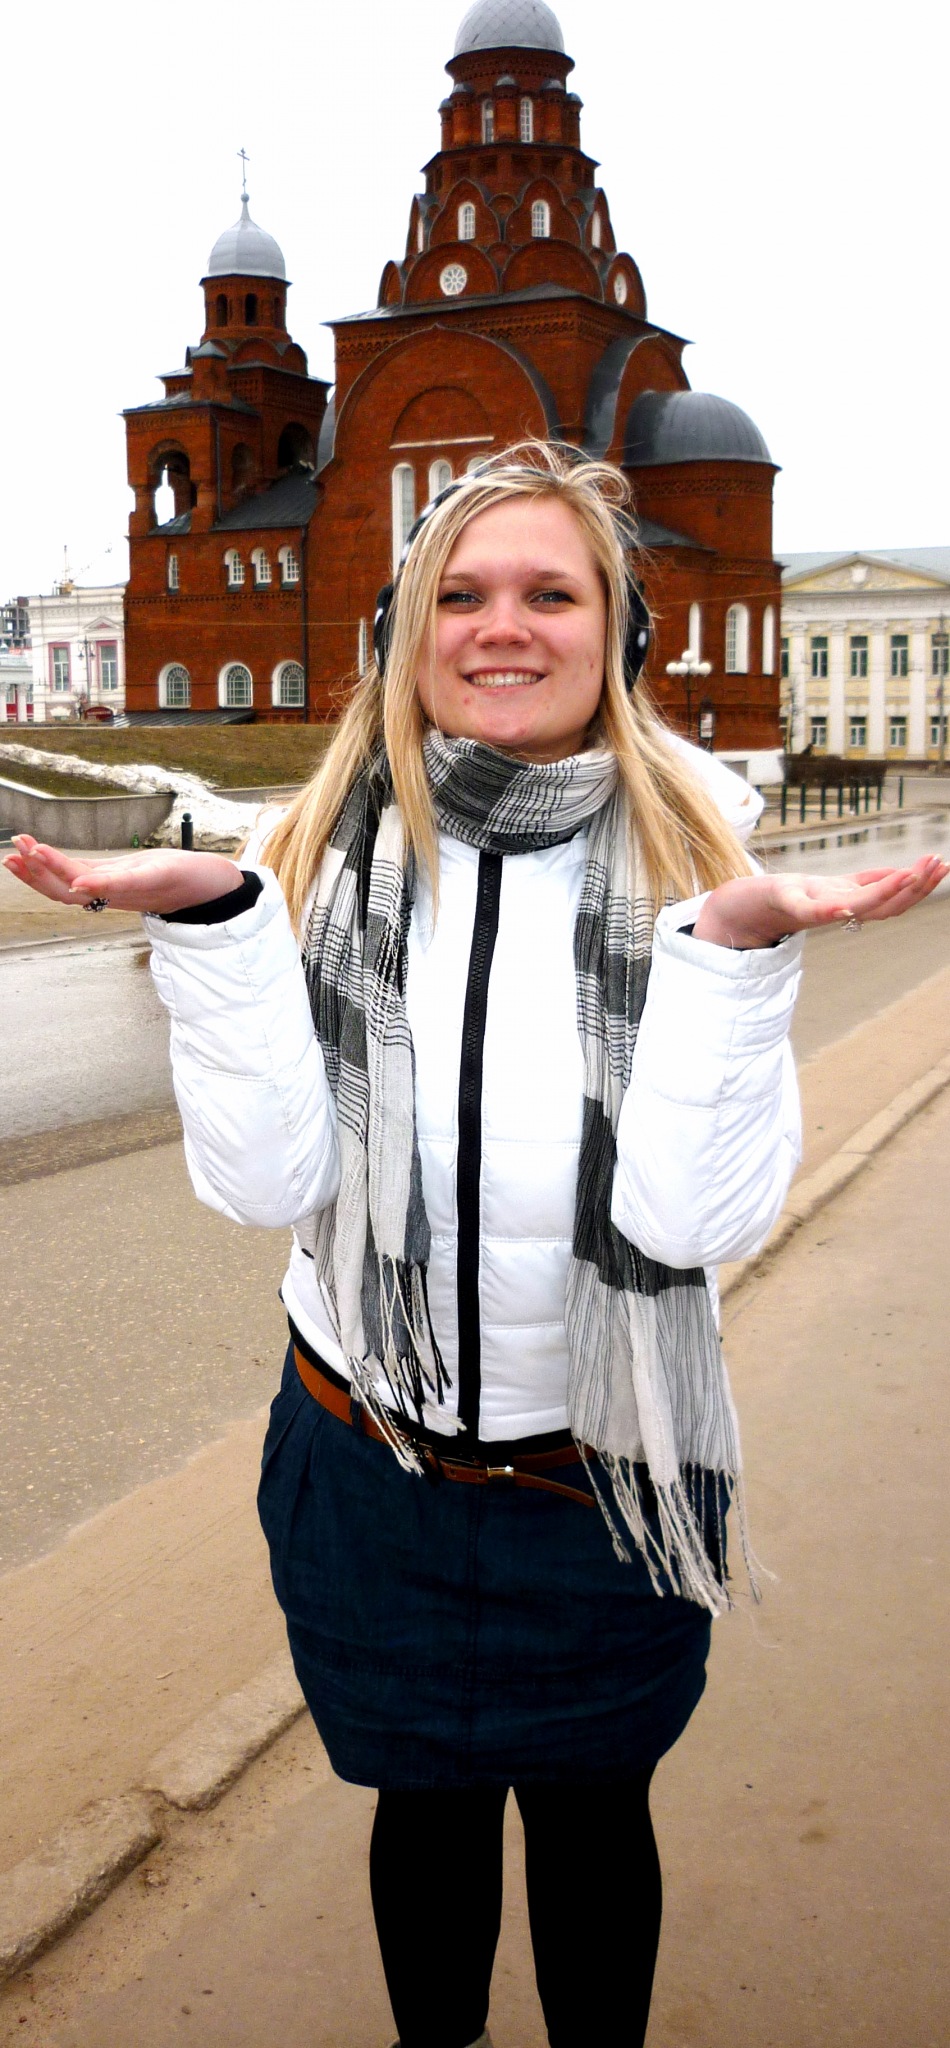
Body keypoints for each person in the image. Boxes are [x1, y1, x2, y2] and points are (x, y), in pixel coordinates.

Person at [5, 444, 945, 2048]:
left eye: (548, 593)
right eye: (460, 593)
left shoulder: (698, 865)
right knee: (421, 1809)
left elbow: (690, 1227)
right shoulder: (306, 856)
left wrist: (731, 967)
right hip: (363, 1460)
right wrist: (217, 932)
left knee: (592, 1818)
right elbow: (266, 1185)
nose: (501, 626)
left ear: (618, 635)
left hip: (603, 1472)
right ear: (400, 636)